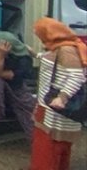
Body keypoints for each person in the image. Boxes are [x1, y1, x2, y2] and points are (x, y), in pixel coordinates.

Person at [31, 17, 86, 169]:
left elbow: (77, 76)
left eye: (40, 34)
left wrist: (62, 98)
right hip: (49, 109)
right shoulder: (60, 47)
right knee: (55, 151)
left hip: (56, 112)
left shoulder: (66, 50)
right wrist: (35, 55)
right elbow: (52, 62)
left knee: (49, 152)